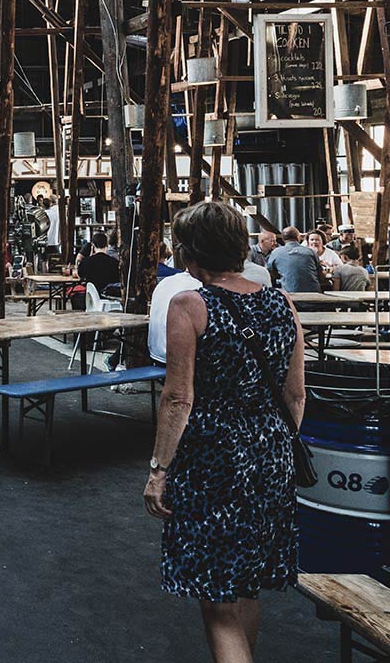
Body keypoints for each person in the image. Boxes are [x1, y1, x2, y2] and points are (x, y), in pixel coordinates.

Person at [144, 200, 303, 663]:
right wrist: (271, 446)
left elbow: (178, 397)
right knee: (246, 583)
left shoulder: (190, 305)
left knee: (217, 601)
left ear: (191, 253)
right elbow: (296, 396)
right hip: (274, 455)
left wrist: (159, 469)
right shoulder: (280, 301)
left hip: (215, 460)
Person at [266, 227, 321, 293]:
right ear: (298, 237)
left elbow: (270, 273)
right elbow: (320, 274)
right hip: (313, 294)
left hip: (289, 294)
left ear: (283, 239)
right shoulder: (310, 252)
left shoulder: (276, 252)